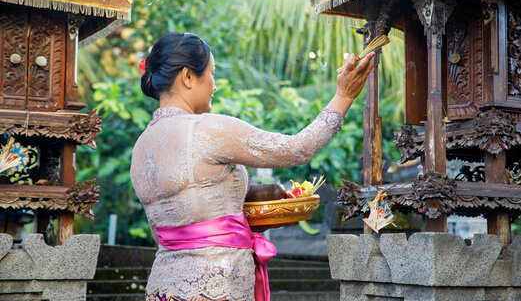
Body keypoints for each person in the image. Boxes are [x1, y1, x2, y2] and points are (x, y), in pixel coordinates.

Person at [130, 31, 374, 301]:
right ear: (188, 76)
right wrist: (344, 95)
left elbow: (190, 214)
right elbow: (297, 150)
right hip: (214, 288)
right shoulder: (207, 130)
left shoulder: (141, 146)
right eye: (211, 73)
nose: (214, 85)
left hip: (162, 287)